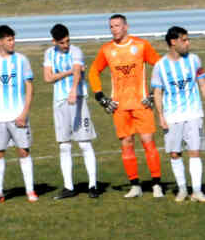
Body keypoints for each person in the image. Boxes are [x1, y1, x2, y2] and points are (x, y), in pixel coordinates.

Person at [88, 14, 163, 198]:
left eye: (117, 25)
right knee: (127, 145)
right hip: (120, 107)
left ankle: (156, 185)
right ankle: (135, 185)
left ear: (126, 27)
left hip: (141, 104)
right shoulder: (106, 50)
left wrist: (154, 93)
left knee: (148, 143)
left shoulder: (141, 45)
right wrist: (100, 96)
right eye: (111, 26)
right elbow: (93, 72)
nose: (114, 29)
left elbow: (161, 66)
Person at [0, 25, 37, 203]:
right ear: (0, 41)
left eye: (13, 39)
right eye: (9, 40)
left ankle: (30, 191)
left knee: (23, 151)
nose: (12, 43)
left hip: (17, 115)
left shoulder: (21, 60)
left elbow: (29, 87)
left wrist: (24, 113)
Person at [43, 24, 99, 199]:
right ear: (54, 41)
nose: (66, 45)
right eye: (62, 43)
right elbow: (48, 78)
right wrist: (68, 72)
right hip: (59, 102)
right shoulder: (49, 54)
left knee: (84, 143)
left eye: (67, 41)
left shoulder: (76, 51)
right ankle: (68, 187)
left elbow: (77, 72)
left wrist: (74, 90)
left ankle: (93, 185)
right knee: (65, 145)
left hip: (78, 100)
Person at [151, 26, 205, 202]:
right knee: (175, 153)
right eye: (184, 40)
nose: (188, 43)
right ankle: (182, 189)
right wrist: (161, 116)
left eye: (188, 39)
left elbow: (202, 84)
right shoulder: (160, 66)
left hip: (193, 113)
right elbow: (157, 93)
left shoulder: (195, 60)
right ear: (173, 42)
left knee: (195, 152)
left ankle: (197, 190)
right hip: (172, 116)